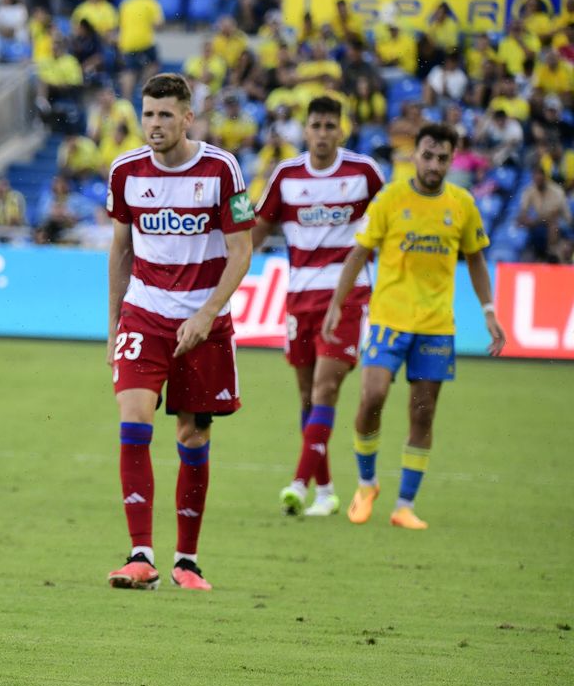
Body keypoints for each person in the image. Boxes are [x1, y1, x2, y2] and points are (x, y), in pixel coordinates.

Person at [105, 74, 254, 592]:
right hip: (145, 314)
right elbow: (120, 251)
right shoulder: (126, 171)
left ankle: (186, 561)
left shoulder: (221, 169)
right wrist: (113, 326)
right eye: (148, 114)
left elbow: (242, 252)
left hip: (204, 321)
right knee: (134, 418)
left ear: (187, 118)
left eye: (166, 115)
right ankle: (140, 555)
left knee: (193, 436)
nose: (155, 124)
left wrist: (208, 313)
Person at [324, 124, 503, 530]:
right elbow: (359, 253)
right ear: (415, 155)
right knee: (372, 398)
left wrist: (488, 310)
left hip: (436, 326)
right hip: (389, 318)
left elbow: (475, 257)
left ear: (451, 159)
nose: (434, 164)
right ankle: (367, 483)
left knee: (422, 415)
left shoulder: (462, 204)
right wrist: (337, 304)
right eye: (428, 155)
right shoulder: (390, 198)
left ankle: (404, 505)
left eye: (442, 158)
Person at [253, 97, 385, 518]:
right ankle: (326, 491)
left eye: (331, 126)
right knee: (308, 398)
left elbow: (388, 226)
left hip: (347, 296)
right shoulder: (287, 176)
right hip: (299, 296)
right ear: (305, 130)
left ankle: (297, 483)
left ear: (341, 130)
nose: (323, 133)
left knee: (327, 387)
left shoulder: (364, 174)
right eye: (316, 125)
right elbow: (257, 230)